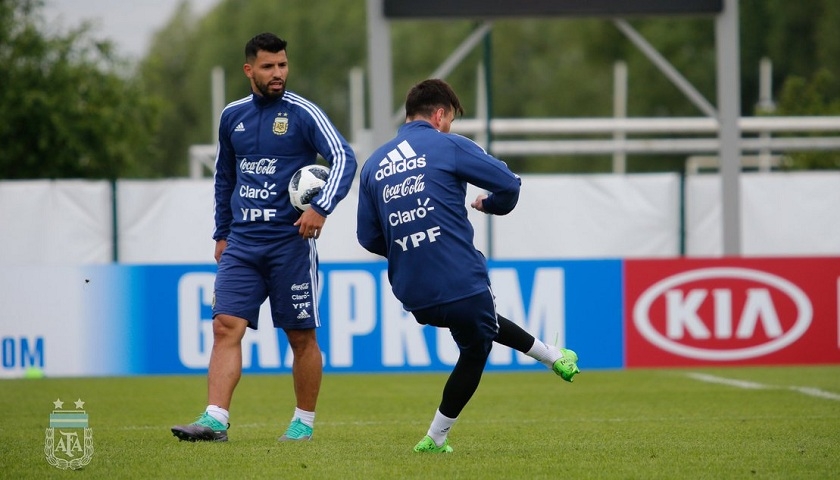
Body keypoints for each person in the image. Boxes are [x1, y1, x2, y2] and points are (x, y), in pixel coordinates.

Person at [356, 79, 580, 454]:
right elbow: (509, 185)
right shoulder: (447, 144)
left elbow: (368, 237)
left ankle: (553, 357)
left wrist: (409, 247)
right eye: (451, 120)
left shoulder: (373, 165)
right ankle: (436, 438)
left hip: (413, 292)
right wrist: (488, 205)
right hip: (459, 275)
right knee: (478, 340)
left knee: (480, 328)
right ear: (440, 115)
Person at [172, 32, 357, 443]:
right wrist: (221, 232)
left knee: (300, 336)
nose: (278, 73)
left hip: (289, 245)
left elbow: (344, 157)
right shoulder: (232, 116)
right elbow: (224, 177)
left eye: (283, 65)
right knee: (225, 326)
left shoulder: (304, 113)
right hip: (241, 244)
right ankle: (215, 419)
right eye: (269, 66)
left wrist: (320, 207)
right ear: (249, 70)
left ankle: (302, 424)